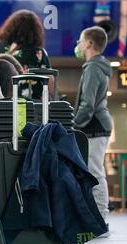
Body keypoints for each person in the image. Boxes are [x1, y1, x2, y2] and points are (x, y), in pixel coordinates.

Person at [73, 26, 113, 231]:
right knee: (94, 171)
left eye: (81, 41)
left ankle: (100, 221)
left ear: (89, 43)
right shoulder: (98, 66)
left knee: (95, 172)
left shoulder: (93, 68)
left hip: (95, 126)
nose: (78, 45)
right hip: (97, 125)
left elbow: (87, 105)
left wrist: (72, 125)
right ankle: (98, 218)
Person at [0, 10, 50, 99]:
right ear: (36, 31)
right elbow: (49, 80)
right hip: (31, 106)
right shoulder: (38, 53)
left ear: (10, 27)